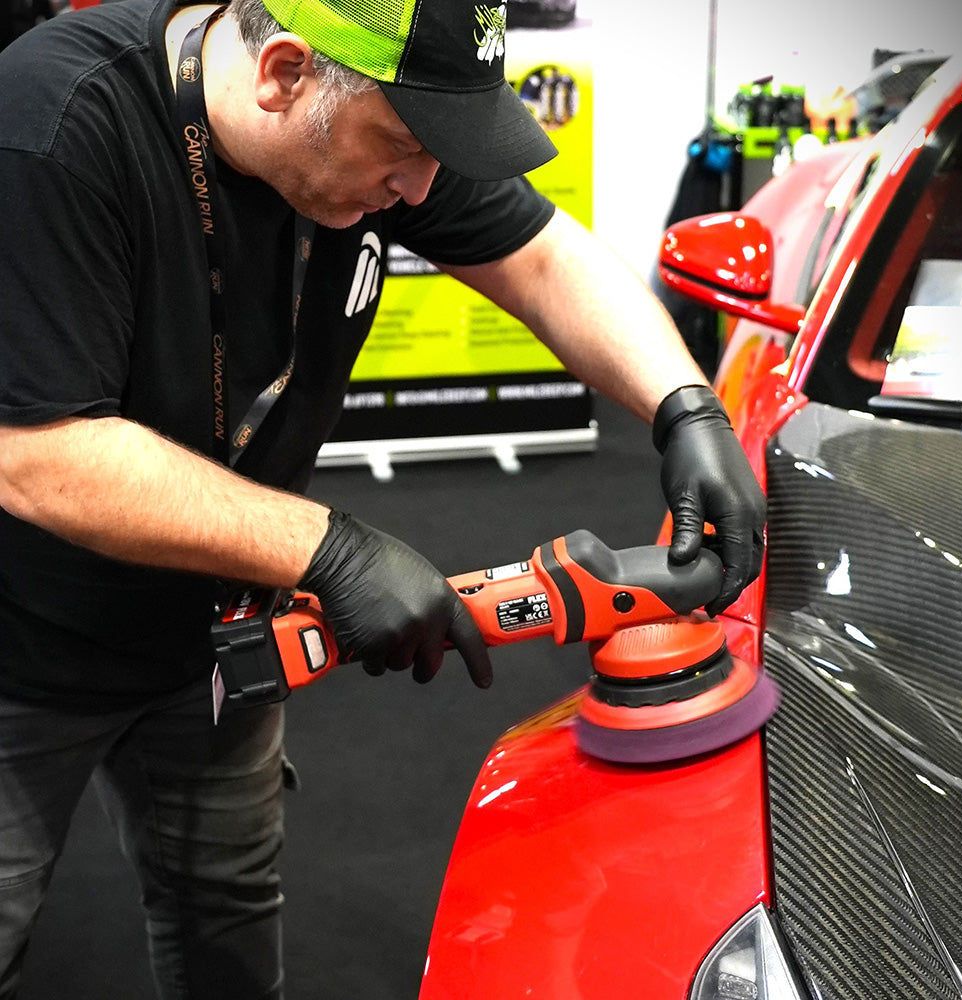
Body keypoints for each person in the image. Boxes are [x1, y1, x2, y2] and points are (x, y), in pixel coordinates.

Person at [0, 0, 766, 995]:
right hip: (23, 646)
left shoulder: (372, 139)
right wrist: (332, 549)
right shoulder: (55, 126)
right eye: (405, 146)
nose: (423, 187)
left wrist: (683, 408)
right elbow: (38, 454)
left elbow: (540, 255)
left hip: (219, 640)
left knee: (223, 918)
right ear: (283, 73)